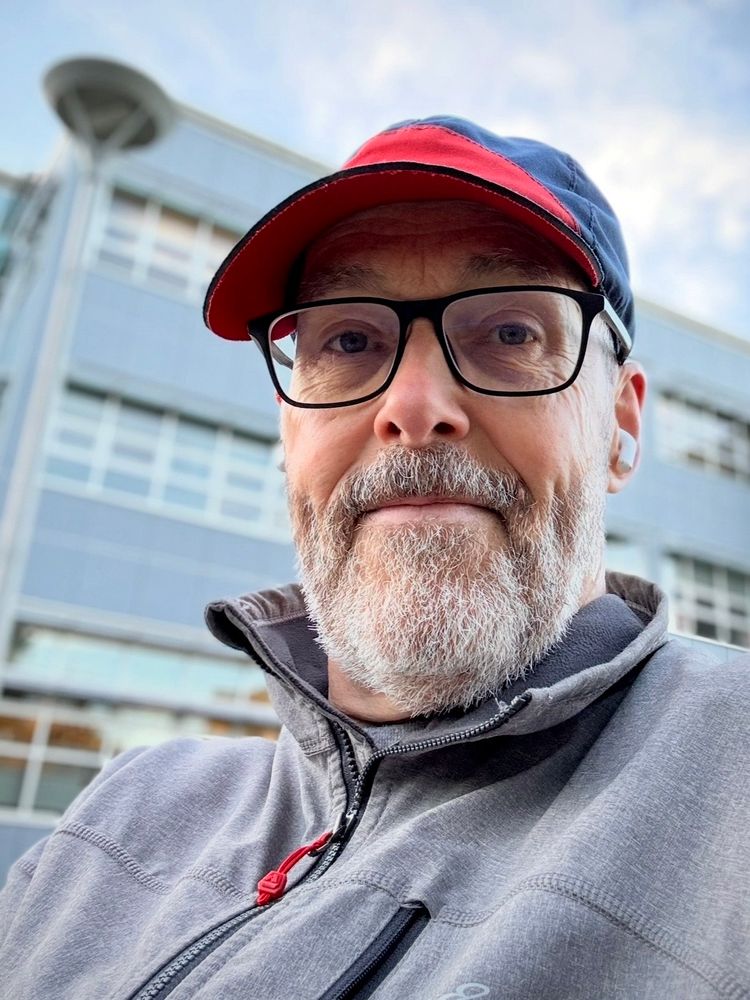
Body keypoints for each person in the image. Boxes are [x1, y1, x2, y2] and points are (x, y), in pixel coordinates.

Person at [0, 116, 747, 999]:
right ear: (290, 431)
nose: (415, 405)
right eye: (347, 342)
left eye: (509, 333)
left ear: (621, 425)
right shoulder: (123, 814)